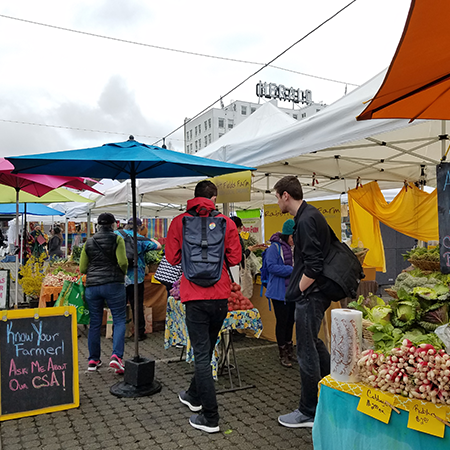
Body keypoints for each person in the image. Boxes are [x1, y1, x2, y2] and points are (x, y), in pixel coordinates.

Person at [166, 180, 241, 434]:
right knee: (206, 350)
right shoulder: (227, 223)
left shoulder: (179, 222)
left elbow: (172, 257)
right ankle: (193, 395)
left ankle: (211, 417)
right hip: (220, 295)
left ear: (194, 196)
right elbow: (235, 258)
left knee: (201, 355)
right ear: (214, 198)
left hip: (193, 296)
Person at [273, 175, 333, 428]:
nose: (276, 202)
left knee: (305, 350)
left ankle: (309, 410)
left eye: (276, 197)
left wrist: (298, 289)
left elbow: (314, 264)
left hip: (311, 295)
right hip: (316, 294)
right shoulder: (310, 215)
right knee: (313, 342)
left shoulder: (306, 219)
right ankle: (335, 389)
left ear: (286, 195)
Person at [79, 212, 128, 374]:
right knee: (119, 319)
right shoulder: (117, 238)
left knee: (94, 323)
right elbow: (122, 261)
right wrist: (123, 272)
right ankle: (116, 357)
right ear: (113, 224)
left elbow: (82, 268)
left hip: (93, 286)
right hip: (114, 284)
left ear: (98, 225)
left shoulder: (90, 241)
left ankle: (93, 360)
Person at [116, 218, 161, 341]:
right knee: (137, 306)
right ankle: (139, 333)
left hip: (119, 277)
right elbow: (158, 246)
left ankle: (118, 334)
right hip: (137, 277)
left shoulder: (116, 234)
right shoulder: (139, 238)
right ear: (139, 227)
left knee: (119, 306)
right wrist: (149, 238)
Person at [264, 219, 295, 368]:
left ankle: (290, 349)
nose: (294, 239)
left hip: (292, 292)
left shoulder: (294, 248)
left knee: (290, 321)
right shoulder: (274, 248)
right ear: (287, 235)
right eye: (293, 236)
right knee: (282, 322)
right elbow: (271, 267)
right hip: (278, 292)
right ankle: (282, 352)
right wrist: (292, 271)